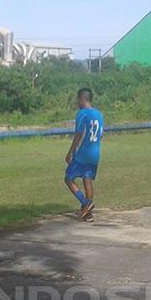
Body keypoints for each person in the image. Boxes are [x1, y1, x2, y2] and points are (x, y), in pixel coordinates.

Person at [64, 88, 104, 221]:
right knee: (87, 180)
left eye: (78, 99)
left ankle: (85, 203)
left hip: (84, 153)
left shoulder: (82, 113)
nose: (77, 101)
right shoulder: (99, 114)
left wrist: (70, 152)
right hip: (95, 154)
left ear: (83, 99)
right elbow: (101, 135)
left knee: (69, 178)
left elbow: (79, 133)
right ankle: (88, 214)